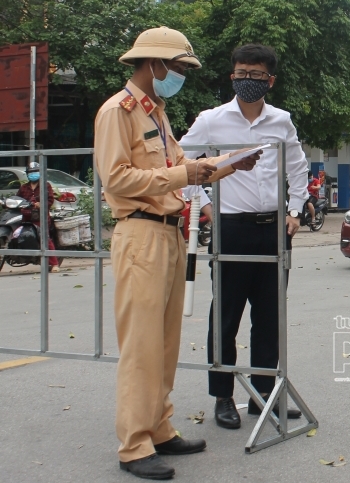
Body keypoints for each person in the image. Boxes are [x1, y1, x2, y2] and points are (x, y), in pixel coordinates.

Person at [94, 26, 261, 480]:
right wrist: (186, 173)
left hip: (169, 233)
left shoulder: (157, 114)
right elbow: (118, 180)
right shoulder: (119, 111)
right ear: (155, 65)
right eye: (180, 67)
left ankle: (160, 427)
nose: (182, 75)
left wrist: (223, 167)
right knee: (141, 346)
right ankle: (134, 444)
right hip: (140, 234)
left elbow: (176, 173)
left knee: (165, 344)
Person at [179, 44, 308, 430]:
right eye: (241, 73)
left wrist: (295, 210)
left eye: (255, 75)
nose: (247, 81)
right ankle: (223, 396)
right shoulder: (211, 121)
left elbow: (298, 167)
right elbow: (182, 164)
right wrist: (202, 206)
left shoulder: (281, 121)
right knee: (227, 315)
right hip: (230, 228)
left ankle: (264, 395)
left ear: (270, 80)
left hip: (273, 230)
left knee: (270, 317)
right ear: (231, 75)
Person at [16, 161, 59, 272]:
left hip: (40, 217)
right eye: (31, 172)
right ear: (27, 174)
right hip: (25, 216)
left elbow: (50, 200)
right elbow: (17, 199)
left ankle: (55, 264)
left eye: (35, 172)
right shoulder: (24, 187)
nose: (33, 174)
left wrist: (41, 204)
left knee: (45, 238)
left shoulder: (46, 185)